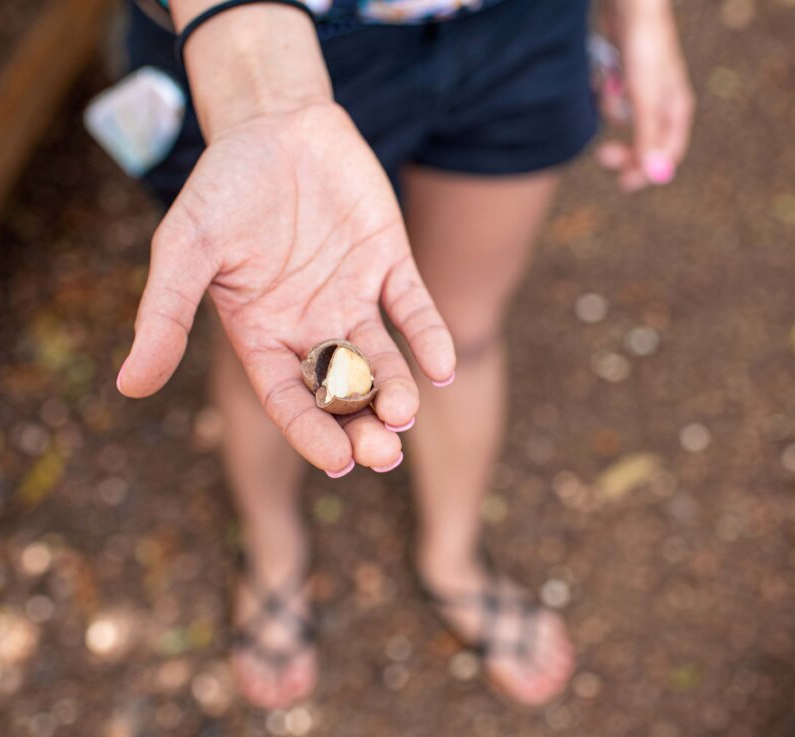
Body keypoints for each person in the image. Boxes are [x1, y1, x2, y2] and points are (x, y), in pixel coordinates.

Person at [116, 0, 693, 710]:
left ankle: (452, 558)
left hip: (522, 25)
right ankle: (274, 554)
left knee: (460, 332)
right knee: (264, 341)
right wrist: (264, 92)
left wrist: (643, 16)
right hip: (264, 40)